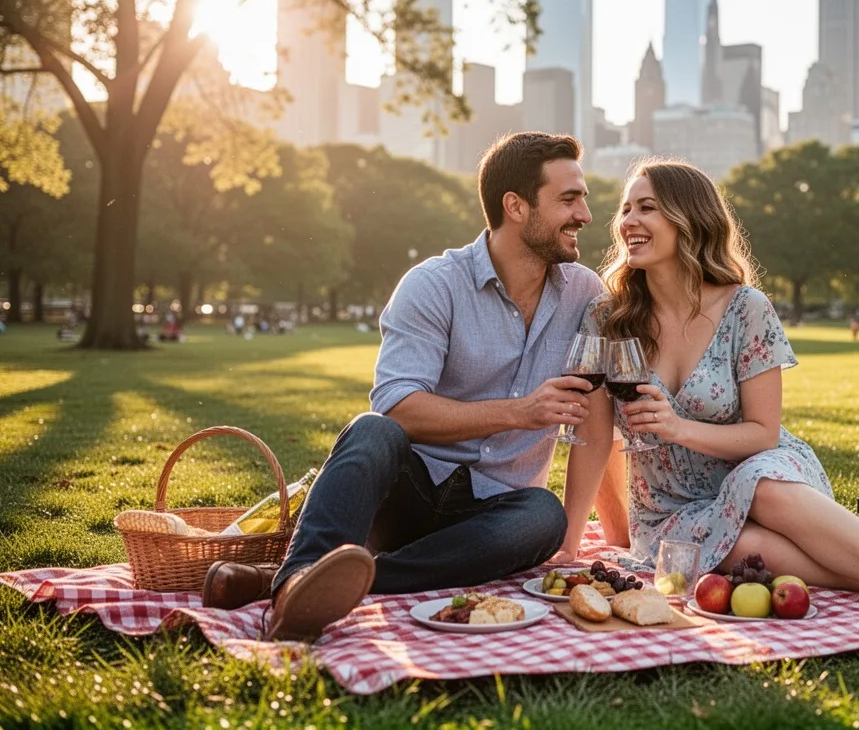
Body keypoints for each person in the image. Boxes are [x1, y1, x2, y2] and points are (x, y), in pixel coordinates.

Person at [202, 132, 628, 640]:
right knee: (372, 431)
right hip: (406, 498)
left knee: (543, 515)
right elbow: (400, 408)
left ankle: (312, 583)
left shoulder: (586, 295)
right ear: (515, 206)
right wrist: (520, 412)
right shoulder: (433, 285)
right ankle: (299, 579)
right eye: (568, 199)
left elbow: (596, 426)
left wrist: (571, 543)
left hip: (492, 520)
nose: (584, 213)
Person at [556, 161, 859, 632]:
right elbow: (593, 436)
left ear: (689, 219)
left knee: (762, 485)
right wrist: (570, 544)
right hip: (674, 509)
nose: (628, 221)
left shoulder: (745, 308)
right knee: (765, 556)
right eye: (625, 209)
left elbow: (762, 434)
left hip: (761, 471)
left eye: (646, 207)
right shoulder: (608, 318)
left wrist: (677, 428)